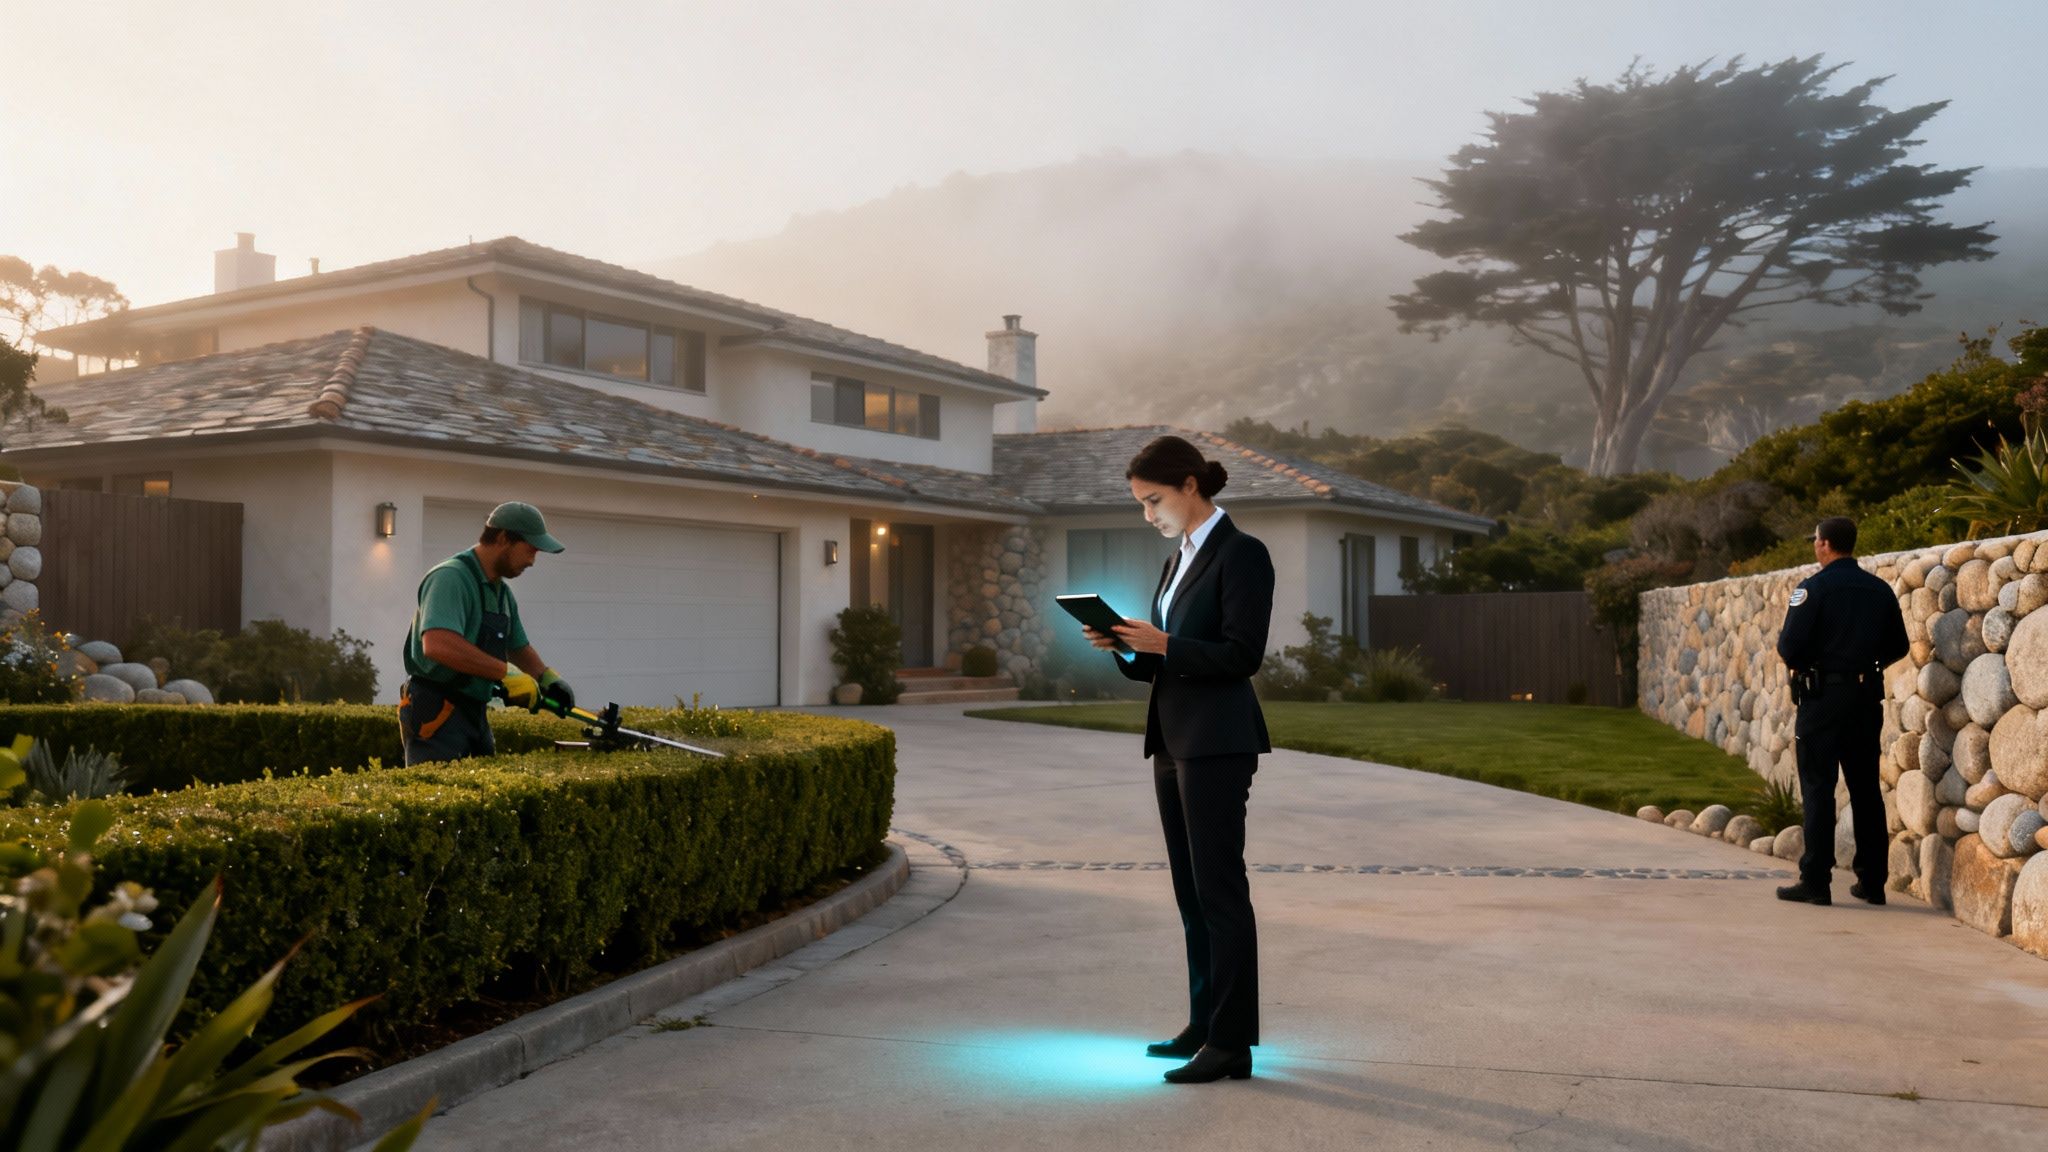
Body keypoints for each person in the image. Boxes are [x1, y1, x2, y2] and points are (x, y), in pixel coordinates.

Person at [1082, 434, 1274, 1085]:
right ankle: (1203, 1025)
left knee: (1220, 890)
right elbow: (1159, 666)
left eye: (1153, 500)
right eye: (1140, 503)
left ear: (1191, 485)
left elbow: (1243, 654)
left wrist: (1164, 643)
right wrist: (1123, 646)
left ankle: (1232, 1044)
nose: (1148, 514)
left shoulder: (1243, 554)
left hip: (1218, 742)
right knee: (1191, 894)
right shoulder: (1176, 561)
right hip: (1172, 740)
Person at [1774, 516, 1909, 907]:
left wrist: (1818, 663)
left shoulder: (1812, 589)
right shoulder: (1878, 589)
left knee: (1818, 786)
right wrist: (1865, 663)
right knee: (1865, 789)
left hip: (1822, 700)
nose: (1815, 546)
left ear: (1825, 544)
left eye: (1815, 540)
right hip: (1864, 698)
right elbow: (1898, 645)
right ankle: (1873, 882)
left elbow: (1789, 647)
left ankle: (1816, 881)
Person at [399, 501, 578, 766]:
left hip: (474, 711)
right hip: (436, 710)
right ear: (504, 538)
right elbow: (437, 644)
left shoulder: (501, 593)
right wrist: (505, 673)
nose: (532, 561)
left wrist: (546, 678)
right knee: (440, 789)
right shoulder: (451, 578)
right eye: (531, 549)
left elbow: (517, 647)